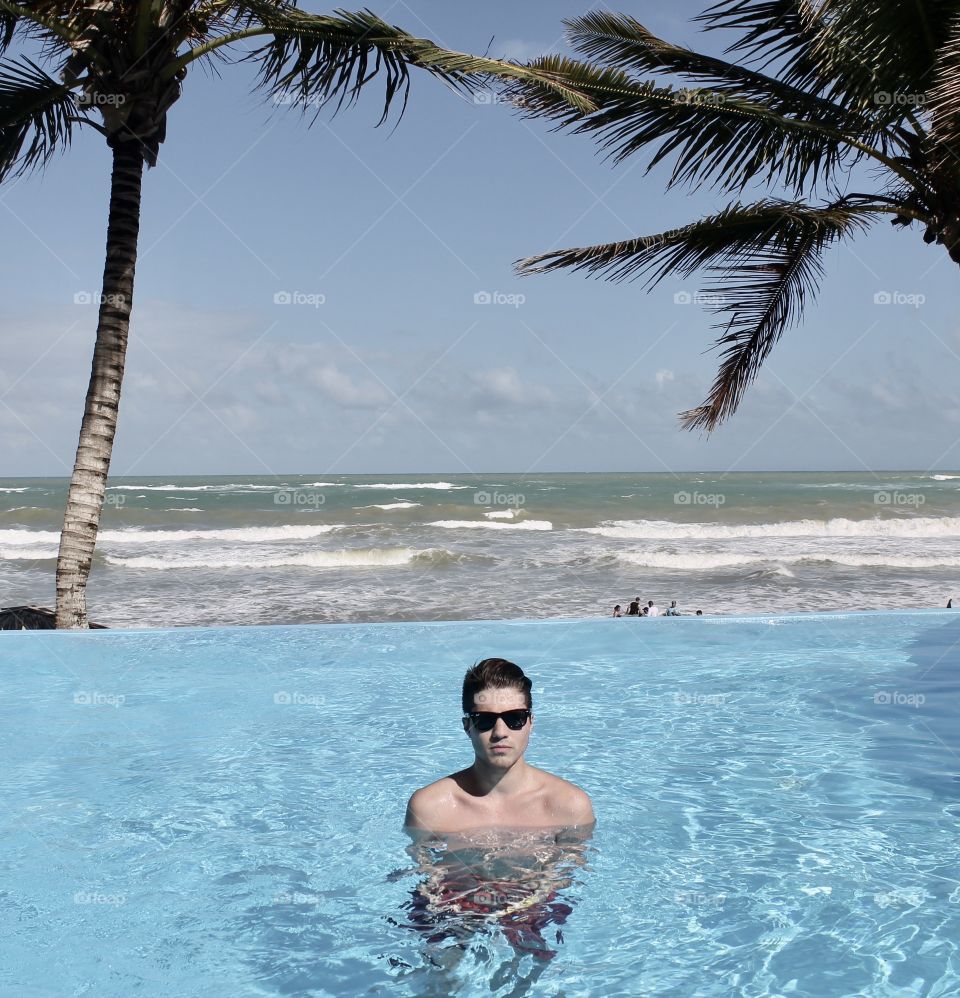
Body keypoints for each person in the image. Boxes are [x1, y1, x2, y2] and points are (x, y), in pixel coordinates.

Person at [405, 658, 595, 833]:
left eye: (515, 718)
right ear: (467, 727)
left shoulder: (569, 806)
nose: (500, 732)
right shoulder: (430, 808)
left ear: (530, 723)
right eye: (485, 720)